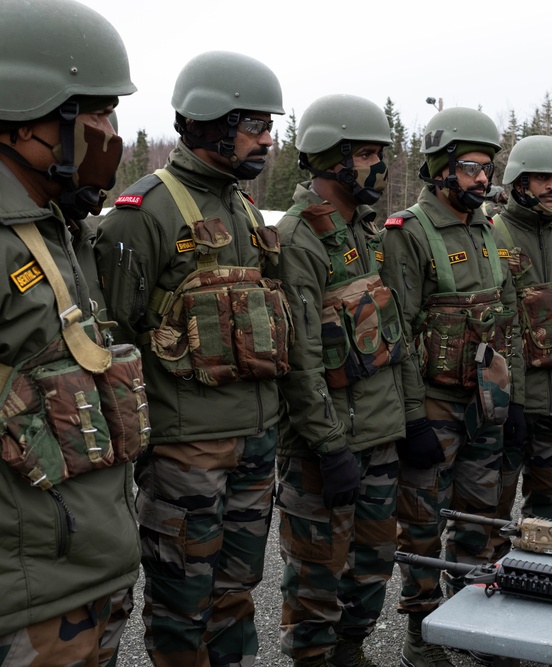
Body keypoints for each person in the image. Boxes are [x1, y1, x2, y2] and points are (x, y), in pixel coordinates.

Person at [95, 51, 288, 666]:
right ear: (212, 123)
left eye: (269, 127)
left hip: (255, 439)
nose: (268, 140)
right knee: (183, 602)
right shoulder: (144, 211)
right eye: (256, 126)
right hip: (187, 452)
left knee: (236, 592)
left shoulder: (245, 209)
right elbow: (115, 335)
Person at [0, 1, 147, 664]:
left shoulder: (65, 229)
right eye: (94, 114)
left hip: (89, 569)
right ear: (25, 114)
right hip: (27, 595)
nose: (108, 134)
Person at [267, 93, 410, 667]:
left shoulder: (364, 232)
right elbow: (301, 356)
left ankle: (349, 652)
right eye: (368, 154)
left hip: (377, 433)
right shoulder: (300, 238)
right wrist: (328, 447)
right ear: (330, 158)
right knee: (316, 575)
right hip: (327, 446)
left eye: (381, 154)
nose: (380, 166)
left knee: (373, 563)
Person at [379, 107, 523, 667]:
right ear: (440, 168)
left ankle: (471, 622)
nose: (482, 178)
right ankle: (421, 632)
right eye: (469, 167)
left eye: (488, 167)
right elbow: (399, 334)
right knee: (421, 526)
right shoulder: (408, 234)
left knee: (478, 519)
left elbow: (504, 316)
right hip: (434, 407)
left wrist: (508, 399)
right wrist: (412, 419)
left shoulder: (488, 228)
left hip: (483, 406)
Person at [485, 135, 552, 558]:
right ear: (518, 182)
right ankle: (467, 599)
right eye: (542, 178)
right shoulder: (490, 231)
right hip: (509, 405)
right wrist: (512, 404)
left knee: (548, 514)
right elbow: (492, 327)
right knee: (488, 512)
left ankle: (537, 588)